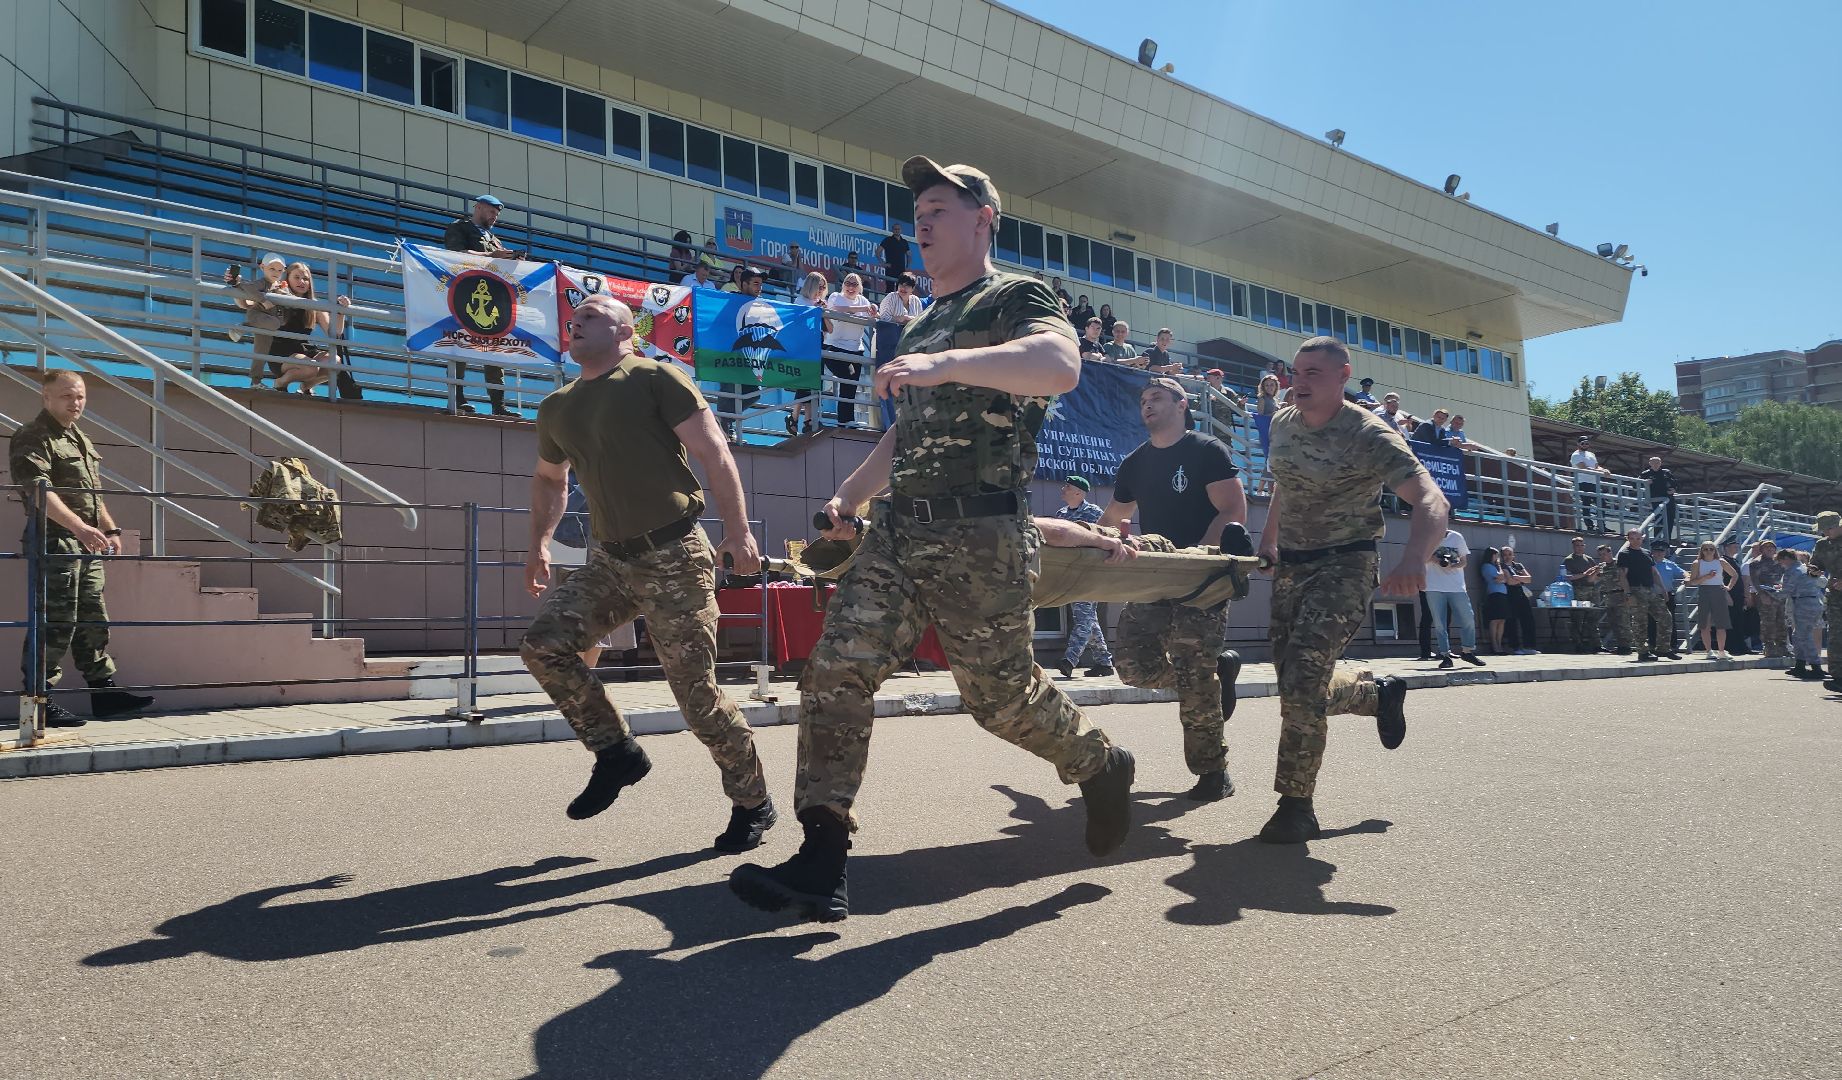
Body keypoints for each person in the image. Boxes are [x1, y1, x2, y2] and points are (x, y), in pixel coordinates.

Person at [729, 156, 1135, 921]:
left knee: (999, 700)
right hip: (898, 535)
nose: (921, 217)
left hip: (982, 532)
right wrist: (850, 495)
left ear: (984, 218)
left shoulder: (1015, 297)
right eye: (918, 208)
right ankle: (822, 858)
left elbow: (1060, 366)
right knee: (835, 670)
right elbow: (904, 436)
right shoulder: (918, 320)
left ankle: (1099, 762)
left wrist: (945, 362)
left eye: (940, 205)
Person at [520, 294, 775, 852]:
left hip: (676, 552)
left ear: (624, 331)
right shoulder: (557, 407)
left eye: (591, 316)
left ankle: (752, 800)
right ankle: (617, 752)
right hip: (612, 558)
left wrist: (738, 530)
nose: (577, 322)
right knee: (544, 645)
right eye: (574, 318)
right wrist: (539, 542)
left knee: (696, 697)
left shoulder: (654, 377)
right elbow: (548, 480)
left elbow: (713, 452)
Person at [1256, 335, 1448, 843]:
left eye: (1313, 373)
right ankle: (1373, 696)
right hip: (1292, 567)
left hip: (1346, 564)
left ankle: (1295, 805)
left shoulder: (1368, 434)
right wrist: (1269, 538)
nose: (1300, 381)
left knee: (1301, 679)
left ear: (1344, 376)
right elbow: (1284, 480)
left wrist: (1413, 557)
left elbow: (1430, 499)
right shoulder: (1281, 422)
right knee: (1298, 682)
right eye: (1296, 371)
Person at [1098, 377, 1247, 802]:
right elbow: (1114, 515)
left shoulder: (1205, 452)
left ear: (1182, 404)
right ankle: (1215, 675)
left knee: (1191, 668)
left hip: (1202, 579)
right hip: (1154, 576)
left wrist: (1200, 555)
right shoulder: (1135, 463)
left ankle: (1212, 772)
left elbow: (1233, 509)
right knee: (1131, 666)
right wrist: (1087, 540)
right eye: (1143, 400)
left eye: (1157, 397)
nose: (1147, 405)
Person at [11, 371, 156, 727]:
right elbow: (38, 490)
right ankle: (39, 702)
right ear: (46, 397)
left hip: (86, 543)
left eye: (79, 397)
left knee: (92, 618)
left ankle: (104, 694)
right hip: (54, 542)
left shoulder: (80, 439)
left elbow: (93, 494)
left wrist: (110, 527)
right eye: (66, 397)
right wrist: (79, 527)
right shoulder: (33, 436)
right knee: (55, 621)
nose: (75, 403)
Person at [441, 194, 518, 417]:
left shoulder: (494, 238)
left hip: (492, 297)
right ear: (479, 208)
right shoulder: (460, 228)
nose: (495, 217)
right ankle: (458, 399)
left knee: (495, 351)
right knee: (460, 346)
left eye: (497, 214)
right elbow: (455, 255)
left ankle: (499, 404)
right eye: (492, 212)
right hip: (465, 295)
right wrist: (492, 255)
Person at [1054, 476, 1115, 679]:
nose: (1063, 489)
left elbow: (1108, 538)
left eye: (1067, 486)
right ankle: (1104, 662)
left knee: (1082, 616)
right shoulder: (1060, 515)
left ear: (1079, 492)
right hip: (1070, 572)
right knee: (1089, 617)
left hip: (1091, 572)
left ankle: (1070, 659)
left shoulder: (1094, 513)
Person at [267, 263, 351, 398]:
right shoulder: (278, 298)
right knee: (310, 367)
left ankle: (306, 387)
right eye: (297, 277)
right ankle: (280, 383)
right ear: (287, 279)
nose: (302, 282)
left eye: (305, 279)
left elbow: (335, 334)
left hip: (303, 350)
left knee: (335, 362)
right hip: (280, 353)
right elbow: (249, 303)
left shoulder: (314, 305)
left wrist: (341, 312)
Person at [822, 273, 877, 428]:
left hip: (855, 349)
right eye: (848, 283)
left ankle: (846, 420)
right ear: (843, 285)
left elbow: (873, 315)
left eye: (854, 284)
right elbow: (840, 309)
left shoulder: (863, 300)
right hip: (834, 347)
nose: (851, 287)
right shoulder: (835, 296)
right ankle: (843, 419)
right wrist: (864, 308)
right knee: (847, 376)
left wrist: (873, 309)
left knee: (851, 385)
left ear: (860, 288)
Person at [1424, 527, 1484, 668]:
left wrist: (1453, 564)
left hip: (1456, 586)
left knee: (1468, 618)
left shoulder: (1457, 537)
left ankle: (1467, 651)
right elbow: (1420, 557)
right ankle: (1445, 655)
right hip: (1434, 586)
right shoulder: (1427, 535)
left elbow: (1464, 562)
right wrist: (1436, 559)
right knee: (1440, 623)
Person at [225, 254, 288, 387]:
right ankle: (243, 326)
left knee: (261, 351)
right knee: (275, 324)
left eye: (280, 270)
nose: (276, 273)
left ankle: (255, 381)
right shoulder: (262, 282)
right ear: (263, 267)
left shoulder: (280, 285)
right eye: (272, 269)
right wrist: (263, 300)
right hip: (258, 317)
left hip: (266, 325)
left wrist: (283, 293)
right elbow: (247, 287)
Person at [1615, 529, 1675, 662]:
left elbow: (1654, 573)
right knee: (1640, 622)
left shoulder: (1647, 553)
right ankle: (1643, 651)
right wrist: (1628, 593)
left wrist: (1663, 589)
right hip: (1635, 590)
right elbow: (1622, 576)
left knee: (1666, 616)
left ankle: (1663, 648)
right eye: (1632, 538)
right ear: (1628, 539)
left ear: (1642, 538)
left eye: (1638, 538)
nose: (1636, 541)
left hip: (1649, 590)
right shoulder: (1625, 554)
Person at [784, 271, 832, 437]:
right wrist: (815, 310)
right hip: (804, 345)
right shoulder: (800, 300)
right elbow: (798, 324)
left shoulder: (821, 303)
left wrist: (824, 312)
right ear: (811, 285)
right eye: (819, 286)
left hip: (817, 343)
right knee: (805, 383)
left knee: (814, 384)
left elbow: (829, 329)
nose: (822, 290)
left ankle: (805, 420)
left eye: (824, 287)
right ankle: (797, 417)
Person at [1770, 547, 1827, 680]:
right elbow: (1823, 582)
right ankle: (1800, 665)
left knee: (1804, 636)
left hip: (1803, 603)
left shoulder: (1792, 571)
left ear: (1786, 559)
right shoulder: (1807, 568)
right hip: (1814, 602)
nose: (1781, 564)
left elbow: (1786, 592)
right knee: (1798, 635)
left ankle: (1816, 667)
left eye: (1781, 561)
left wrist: (1770, 592)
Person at [1686, 539, 1735, 660]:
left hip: (1719, 591)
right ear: (1701, 551)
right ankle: (1709, 651)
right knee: (1705, 624)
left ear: (1715, 550)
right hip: (1704, 591)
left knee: (1721, 624)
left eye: (1711, 549)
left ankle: (1722, 651)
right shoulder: (1697, 563)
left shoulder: (1721, 561)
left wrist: (1728, 587)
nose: (1708, 551)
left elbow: (1735, 575)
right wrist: (1706, 577)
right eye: (1705, 549)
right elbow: (1692, 581)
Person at [1811, 510, 1842, 688]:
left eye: (1828, 529)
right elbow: (1815, 565)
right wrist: (1813, 570)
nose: (1825, 533)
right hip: (1836, 596)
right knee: (1836, 636)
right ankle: (1837, 676)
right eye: (1823, 530)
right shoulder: (1822, 545)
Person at [1561, 535, 1604, 654]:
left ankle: (1596, 644)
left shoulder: (1589, 559)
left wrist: (1597, 571)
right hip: (1579, 591)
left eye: (1581, 545)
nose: (1579, 548)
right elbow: (1566, 577)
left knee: (1593, 617)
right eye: (1577, 546)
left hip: (1592, 590)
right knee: (1578, 618)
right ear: (1573, 547)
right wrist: (1584, 574)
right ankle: (1578, 644)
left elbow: (1596, 575)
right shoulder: (1569, 560)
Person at [1748, 539, 1788, 659]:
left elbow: (1785, 577)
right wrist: (1762, 595)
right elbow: (1755, 581)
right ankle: (1769, 647)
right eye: (1766, 547)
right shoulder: (1756, 563)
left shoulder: (1780, 561)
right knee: (1768, 622)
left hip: (1780, 596)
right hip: (1766, 596)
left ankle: (1782, 647)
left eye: (1771, 547)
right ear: (1761, 550)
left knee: (1782, 622)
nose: (1769, 549)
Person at [1500, 540, 1539, 655]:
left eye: (1509, 554)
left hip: (1521, 593)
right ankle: (1515, 647)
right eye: (1505, 555)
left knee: (1528, 619)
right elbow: (1510, 582)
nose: (1507, 557)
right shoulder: (1501, 566)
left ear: (1513, 555)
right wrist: (1520, 578)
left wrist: (1516, 577)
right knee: (1512, 620)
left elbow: (1529, 579)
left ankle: (1529, 646)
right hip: (1509, 593)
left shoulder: (1518, 565)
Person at [1651, 540, 1688, 654]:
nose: (1659, 554)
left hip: (1667, 596)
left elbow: (1683, 572)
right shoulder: (1647, 563)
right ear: (1652, 551)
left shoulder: (1670, 564)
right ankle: (1653, 646)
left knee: (1670, 621)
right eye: (1657, 551)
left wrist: (1687, 577)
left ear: (1665, 552)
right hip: (1652, 596)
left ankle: (1672, 645)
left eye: (1661, 551)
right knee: (1651, 621)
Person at [1570, 435, 1610, 534]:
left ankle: (1601, 525)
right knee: (1586, 503)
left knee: (1602, 503)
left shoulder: (1591, 454)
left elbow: (1596, 466)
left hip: (1594, 482)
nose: (1585, 445)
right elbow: (1583, 467)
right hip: (1582, 482)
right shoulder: (1576, 455)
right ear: (1578, 444)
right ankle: (1590, 525)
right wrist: (1600, 471)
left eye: (1587, 443)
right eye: (1582, 443)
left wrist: (1604, 470)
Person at [1596, 542, 1632, 653]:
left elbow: (1626, 578)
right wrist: (1594, 572)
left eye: (1604, 554)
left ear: (1610, 553)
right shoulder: (1601, 567)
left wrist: (1627, 594)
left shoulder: (1619, 564)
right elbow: (1592, 579)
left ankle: (1627, 646)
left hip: (1620, 594)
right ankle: (1621, 645)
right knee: (1613, 622)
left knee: (1623, 621)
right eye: (1600, 555)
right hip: (1608, 596)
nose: (1602, 556)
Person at [1723, 539, 1755, 654]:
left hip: (1738, 595)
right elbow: (1722, 580)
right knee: (1731, 621)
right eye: (1734, 546)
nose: (1737, 548)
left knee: (1739, 622)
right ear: (1727, 547)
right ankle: (1732, 646)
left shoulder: (1734, 560)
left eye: (1737, 545)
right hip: (1730, 595)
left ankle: (1741, 645)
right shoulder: (1723, 561)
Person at [1479, 546, 1509, 654]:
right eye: (1496, 555)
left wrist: (1501, 578)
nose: (1497, 558)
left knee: (1502, 619)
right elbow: (1501, 577)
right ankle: (1494, 645)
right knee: (1495, 619)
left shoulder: (1494, 567)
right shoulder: (1487, 566)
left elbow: (1504, 580)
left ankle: (1499, 644)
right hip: (1494, 594)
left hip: (1502, 594)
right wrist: (1499, 565)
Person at [1640, 455, 1677, 541]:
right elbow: (1635, 484)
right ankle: (1657, 539)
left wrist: (1674, 490)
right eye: (1653, 462)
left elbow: (1675, 483)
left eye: (1658, 462)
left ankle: (1667, 539)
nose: (1656, 464)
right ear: (1650, 463)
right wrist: (1645, 483)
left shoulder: (1666, 472)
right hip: (1656, 499)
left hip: (1669, 499)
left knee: (1670, 519)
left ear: (1660, 463)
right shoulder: (1645, 474)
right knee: (1659, 519)